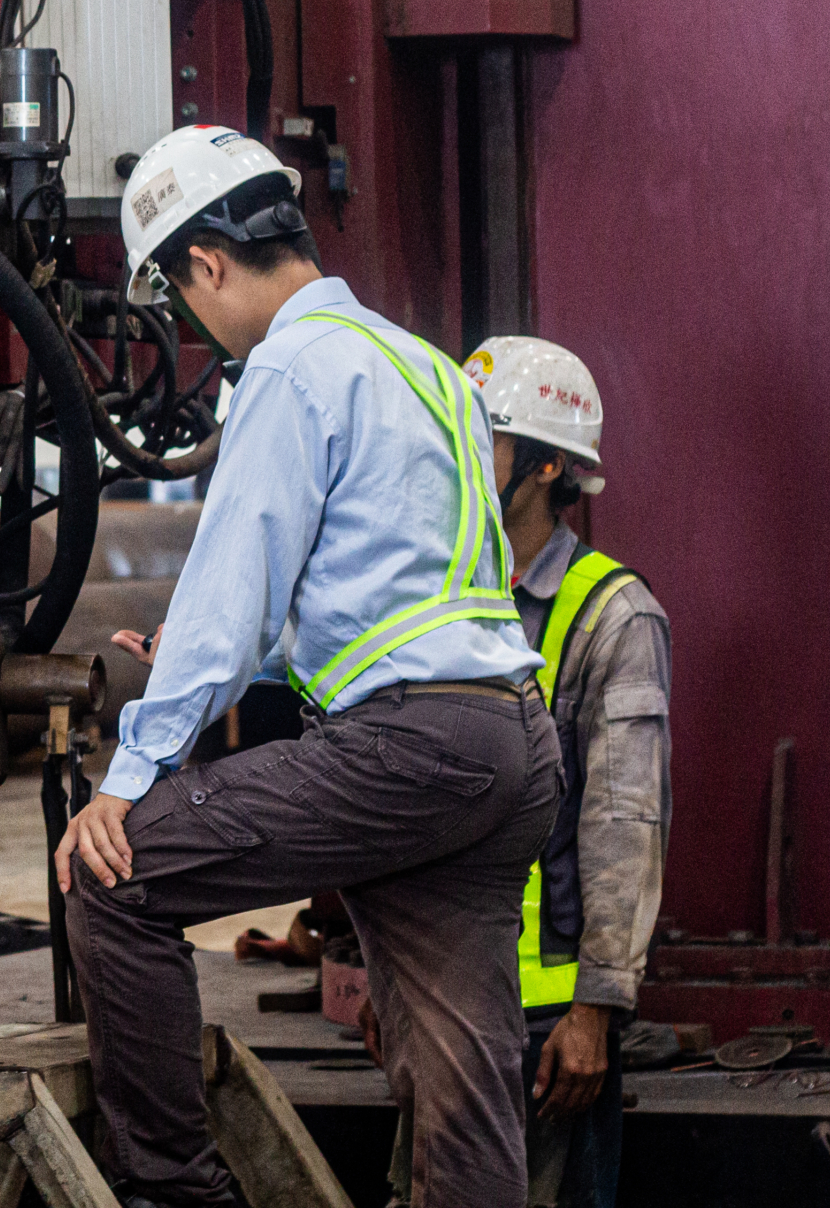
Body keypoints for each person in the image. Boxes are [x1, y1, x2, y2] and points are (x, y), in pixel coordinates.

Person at [52, 124, 562, 1208]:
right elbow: (406, 595)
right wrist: (261, 660)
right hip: (507, 743)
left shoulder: (288, 366)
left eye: (179, 299)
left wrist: (129, 777)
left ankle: (176, 1196)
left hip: (412, 751)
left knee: (114, 877)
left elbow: (231, 583)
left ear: (204, 263)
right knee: (465, 1082)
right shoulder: (425, 365)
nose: (193, 326)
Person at [363, 336, 670, 1208]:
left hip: (549, 1019)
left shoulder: (615, 617)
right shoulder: (432, 599)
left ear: (545, 465)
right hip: (442, 995)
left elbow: (626, 823)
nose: (456, 453)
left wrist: (595, 1009)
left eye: (482, 437)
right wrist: (384, 971)